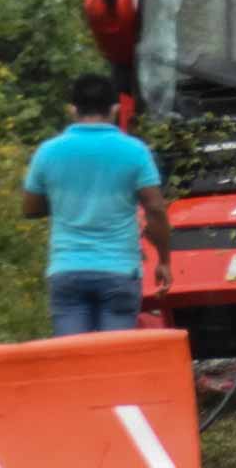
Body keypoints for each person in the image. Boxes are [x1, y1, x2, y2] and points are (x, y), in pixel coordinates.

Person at [21, 73, 171, 336]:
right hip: (119, 271)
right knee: (114, 361)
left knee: (76, 361)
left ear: (72, 109)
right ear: (115, 109)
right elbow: (155, 208)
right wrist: (164, 260)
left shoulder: (48, 151)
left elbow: (30, 208)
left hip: (67, 269)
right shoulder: (135, 151)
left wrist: (65, 199)